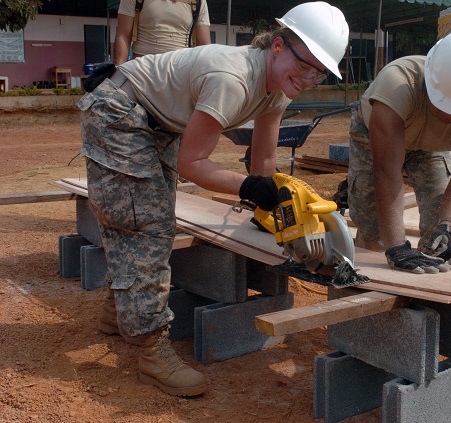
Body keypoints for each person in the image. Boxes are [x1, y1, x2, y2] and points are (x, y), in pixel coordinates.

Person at [77, 1, 349, 397]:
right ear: (277, 45)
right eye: (304, 65)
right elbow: (193, 163)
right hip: (120, 111)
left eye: (318, 73)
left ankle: (120, 309)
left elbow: (265, 162)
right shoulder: (233, 78)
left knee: (145, 215)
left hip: (155, 120)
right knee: (146, 222)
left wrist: (276, 210)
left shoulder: (278, 88)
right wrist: (248, 190)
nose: (308, 78)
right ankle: (151, 348)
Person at [347, 28, 451, 274]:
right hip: (374, 134)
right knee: (372, 224)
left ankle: (434, 289)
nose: (449, 115)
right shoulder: (396, 84)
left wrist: (448, 225)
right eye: (445, 103)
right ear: (430, 79)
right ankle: (369, 286)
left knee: (439, 230)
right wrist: (397, 247)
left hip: (431, 148)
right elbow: (387, 170)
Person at [114, 0, 211, 65]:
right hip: (143, 68)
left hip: (180, 70)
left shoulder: (198, 1)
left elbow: (204, 45)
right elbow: (123, 35)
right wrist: (119, 69)